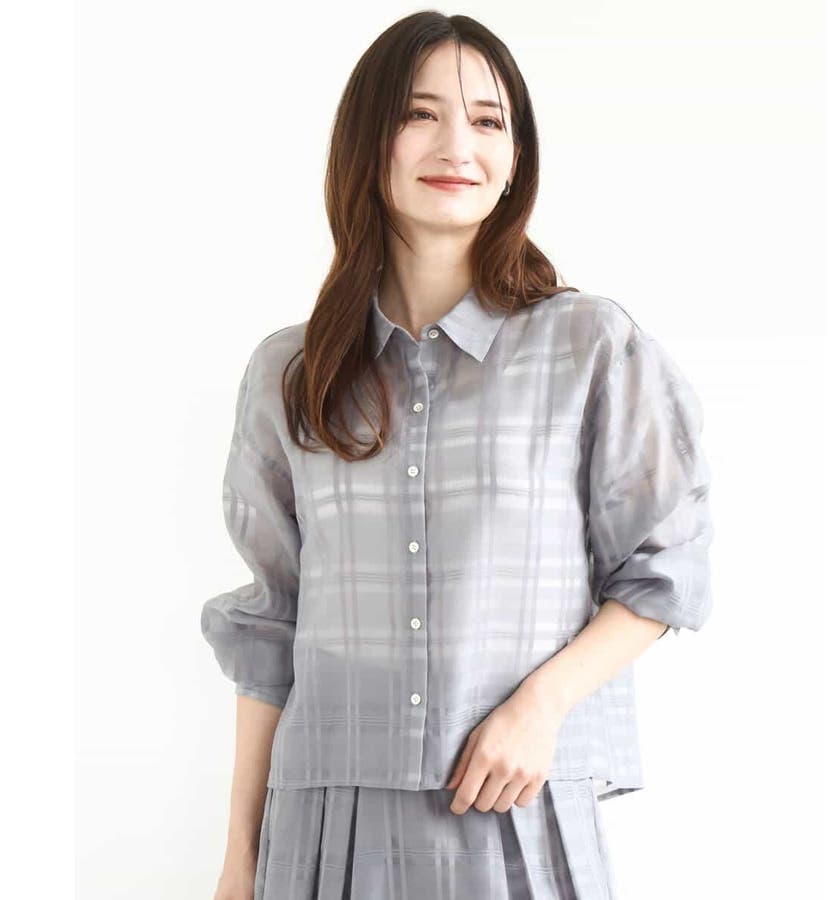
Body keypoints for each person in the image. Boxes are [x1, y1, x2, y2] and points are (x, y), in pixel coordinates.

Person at [201, 11, 714, 900]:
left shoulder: (590, 347)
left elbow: (666, 569)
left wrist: (540, 707)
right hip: (323, 830)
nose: (456, 147)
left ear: (516, 159)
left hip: (513, 813)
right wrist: (239, 861)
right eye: (419, 113)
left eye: (486, 120)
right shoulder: (291, 374)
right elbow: (269, 629)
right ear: (369, 141)